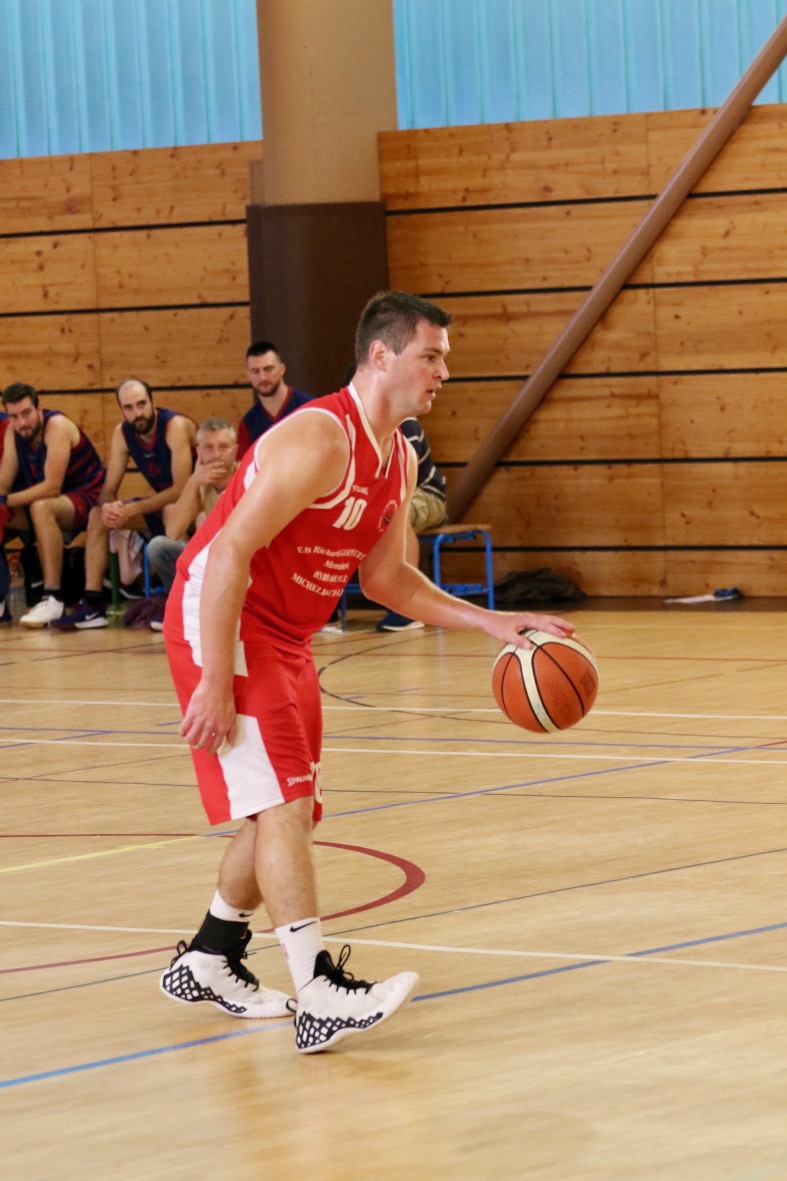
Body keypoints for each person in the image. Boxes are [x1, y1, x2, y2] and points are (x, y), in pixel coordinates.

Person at [158, 290, 575, 1055]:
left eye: (443, 357)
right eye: (430, 355)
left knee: (291, 807)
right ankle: (317, 993)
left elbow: (388, 581)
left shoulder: (398, 456)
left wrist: (492, 622)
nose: (443, 371)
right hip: (226, 614)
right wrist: (215, 675)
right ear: (381, 355)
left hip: (286, 631)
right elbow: (227, 552)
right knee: (283, 802)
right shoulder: (319, 437)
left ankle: (210, 955)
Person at [52, 379, 197, 630]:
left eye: (141, 404)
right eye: (128, 407)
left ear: (152, 402)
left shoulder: (175, 426)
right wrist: (111, 508)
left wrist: (134, 509)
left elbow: (181, 490)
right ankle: (92, 605)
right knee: (97, 515)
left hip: (198, 506)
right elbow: (108, 489)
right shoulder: (123, 433)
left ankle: (179, 603)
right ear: (121, 409)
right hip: (162, 506)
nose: (137, 413)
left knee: (171, 510)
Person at [0, 383, 105, 627]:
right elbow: (4, 482)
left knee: (41, 506)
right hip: (55, 502)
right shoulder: (13, 433)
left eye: (26, 413)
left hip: (90, 498)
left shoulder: (56, 426)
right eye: (14, 416)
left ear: (39, 409)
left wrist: (5, 501)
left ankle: (53, 598)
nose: (22, 422)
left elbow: (52, 487)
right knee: (23, 509)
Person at [145, 417, 238, 630]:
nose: (216, 455)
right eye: (208, 448)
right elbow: (173, 531)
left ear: (235, 450)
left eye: (223, 447)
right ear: (198, 452)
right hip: (213, 561)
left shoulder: (246, 478)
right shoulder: (202, 484)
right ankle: (184, 609)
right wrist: (194, 481)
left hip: (241, 560)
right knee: (158, 547)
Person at [376, 416, 447, 632]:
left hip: (426, 496)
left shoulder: (405, 423)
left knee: (397, 509)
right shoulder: (355, 423)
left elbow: (403, 478)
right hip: (381, 494)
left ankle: (406, 608)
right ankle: (325, 609)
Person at [236, 341, 311, 460]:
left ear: (282, 369)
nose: (263, 377)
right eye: (255, 371)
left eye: (268, 369)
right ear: (249, 376)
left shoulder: (309, 409)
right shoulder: (248, 425)